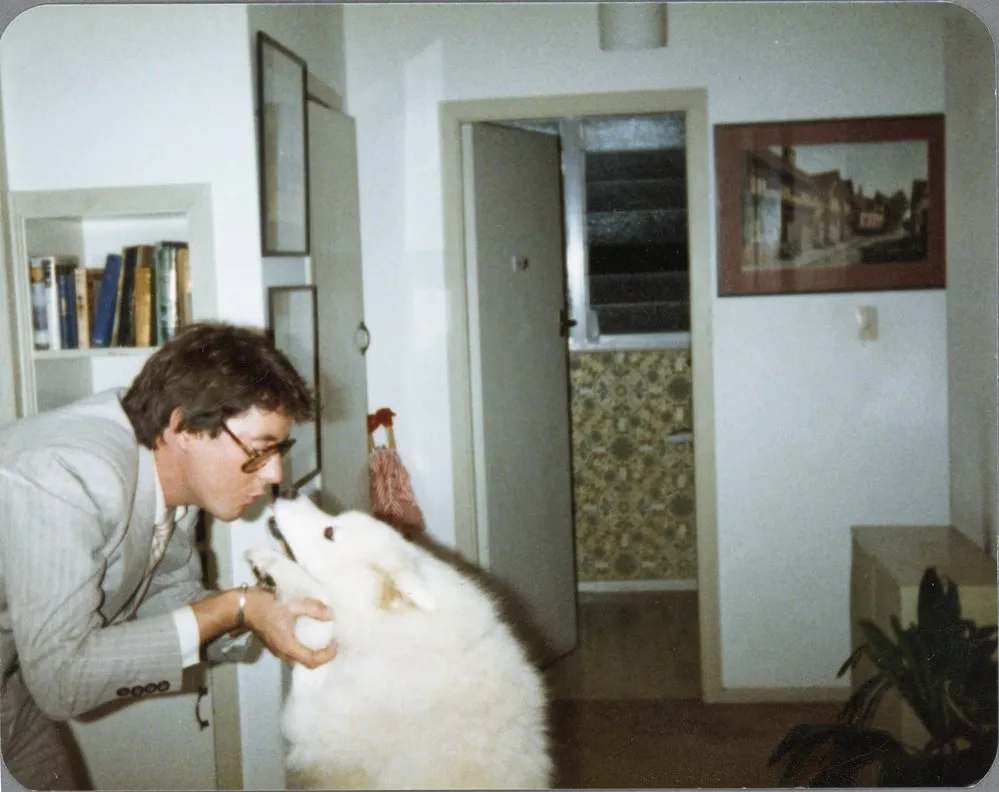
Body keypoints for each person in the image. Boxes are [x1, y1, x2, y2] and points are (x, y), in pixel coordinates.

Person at [0, 322, 338, 790]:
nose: (276, 473)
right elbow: (62, 682)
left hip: (11, 687)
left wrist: (271, 613)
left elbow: (169, 597)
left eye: (280, 450)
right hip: (35, 678)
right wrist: (236, 606)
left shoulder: (164, 469)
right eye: (260, 450)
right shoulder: (66, 473)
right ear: (185, 429)